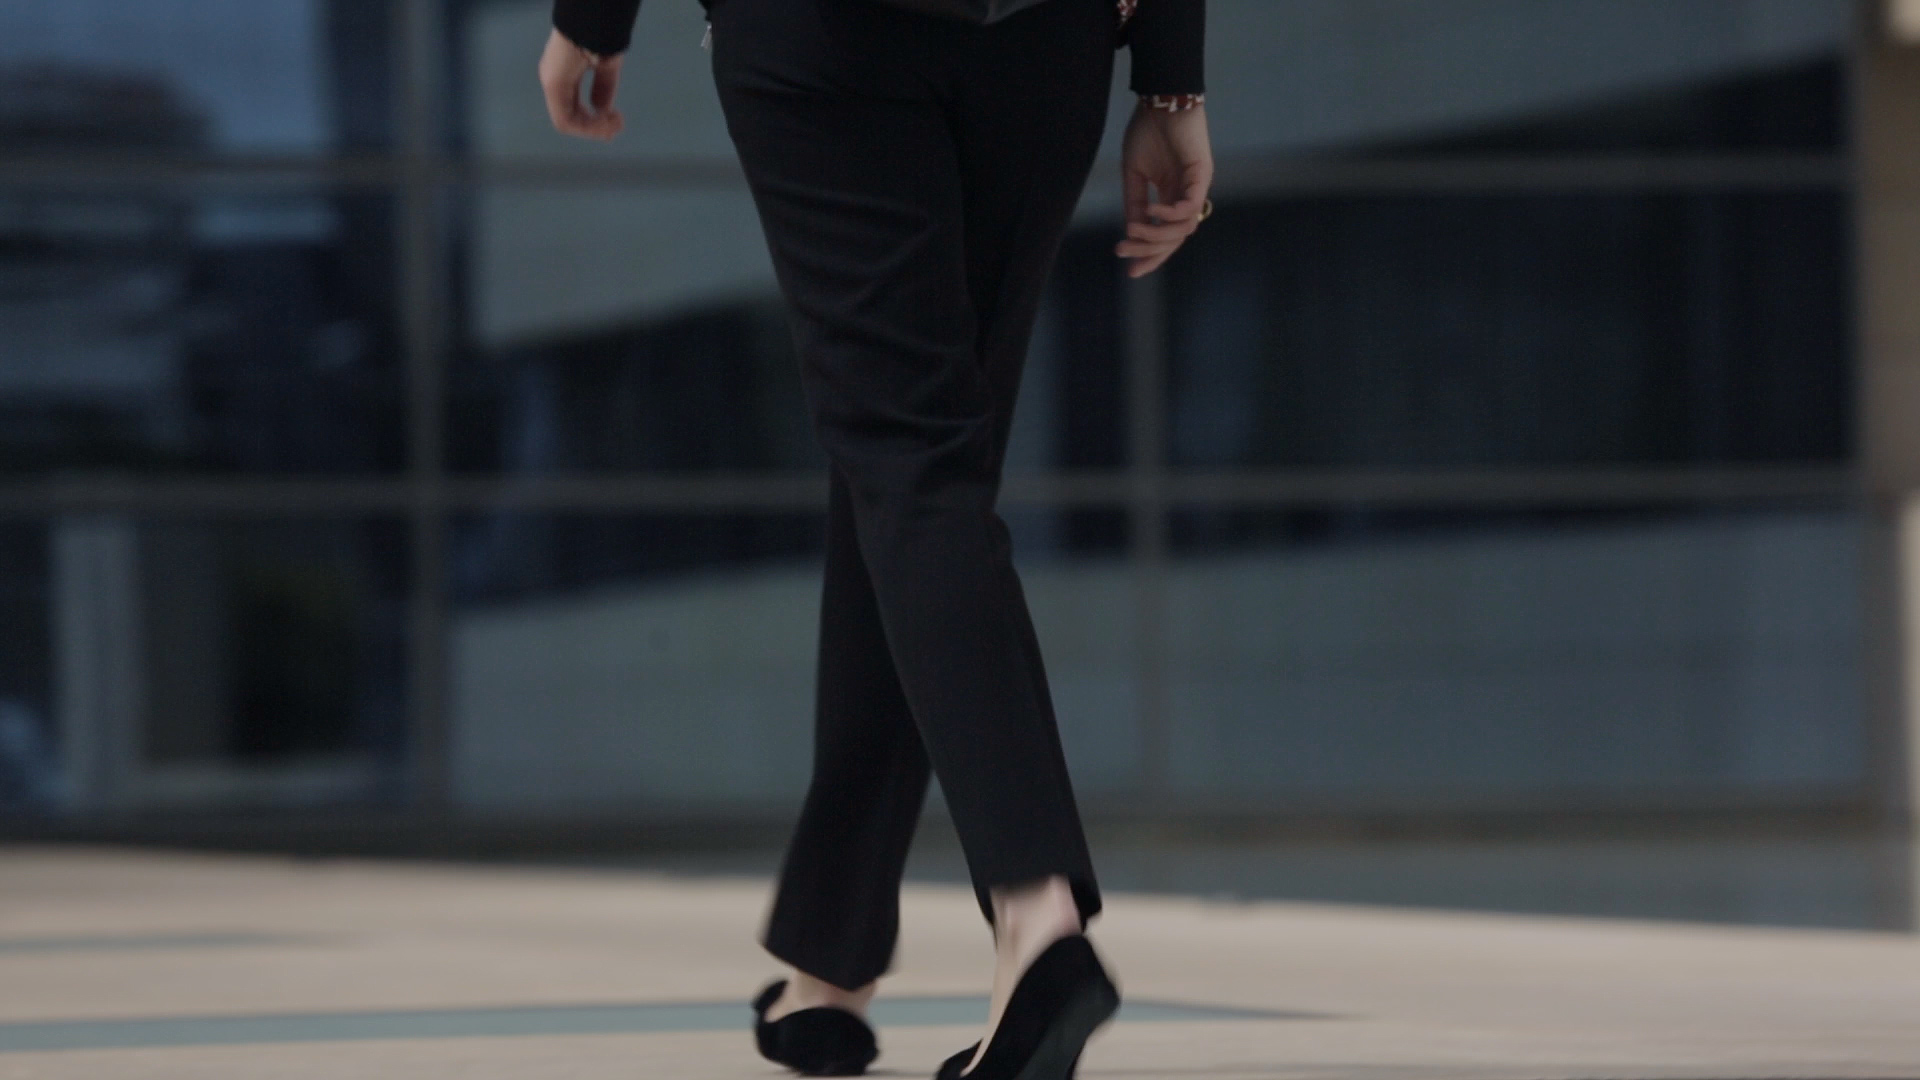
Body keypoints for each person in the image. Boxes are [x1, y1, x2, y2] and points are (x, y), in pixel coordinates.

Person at [536, 1, 1211, 1077]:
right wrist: (1172, 77)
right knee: (918, 470)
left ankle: (1037, 920)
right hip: (1045, 38)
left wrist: (592, 17)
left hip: (825, 36)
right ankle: (830, 957)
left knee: (912, 458)